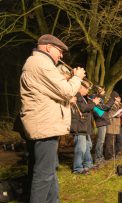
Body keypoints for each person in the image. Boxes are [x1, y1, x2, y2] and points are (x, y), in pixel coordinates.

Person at [20, 34, 86, 202]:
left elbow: (51, 94)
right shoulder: (42, 64)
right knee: (43, 175)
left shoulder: (37, 63)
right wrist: (77, 77)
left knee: (49, 172)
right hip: (44, 127)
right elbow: (67, 90)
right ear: (48, 47)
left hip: (44, 125)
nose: (61, 55)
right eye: (59, 51)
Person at [70, 81, 100, 175]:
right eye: (86, 88)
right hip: (80, 126)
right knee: (81, 148)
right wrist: (94, 103)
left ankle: (88, 164)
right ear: (80, 87)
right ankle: (77, 168)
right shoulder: (77, 95)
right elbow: (83, 108)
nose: (88, 90)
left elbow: (88, 107)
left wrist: (94, 102)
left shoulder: (84, 97)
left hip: (85, 127)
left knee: (88, 146)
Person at [93, 86, 115, 166]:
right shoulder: (95, 98)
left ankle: (100, 157)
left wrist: (110, 105)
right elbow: (103, 108)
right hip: (100, 121)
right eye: (102, 90)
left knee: (102, 141)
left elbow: (106, 109)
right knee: (100, 141)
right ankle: (98, 159)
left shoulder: (101, 99)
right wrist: (111, 100)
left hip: (104, 121)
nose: (104, 92)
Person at [104, 91, 122, 160]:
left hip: (115, 124)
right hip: (111, 124)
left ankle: (112, 154)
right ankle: (108, 156)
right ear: (115, 97)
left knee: (113, 141)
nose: (119, 98)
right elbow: (108, 113)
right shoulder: (110, 103)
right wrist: (115, 114)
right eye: (118, 97)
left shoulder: (117, 104)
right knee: (110, 141)